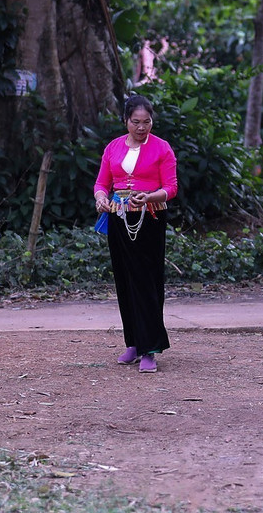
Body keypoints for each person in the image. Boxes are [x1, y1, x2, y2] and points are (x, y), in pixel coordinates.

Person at [94, 95, 178, 374]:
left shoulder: (162, 148)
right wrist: (100, 198)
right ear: (126, 121)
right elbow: (102, 183)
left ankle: (150, 348)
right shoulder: (113, 147)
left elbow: (171, 188)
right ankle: (132, 342)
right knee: (124, 279)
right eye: (136, 122)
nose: (142, 128)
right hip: (118, 217)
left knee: (146, 281)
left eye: (147, 122)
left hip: (150, 217)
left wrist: (150, 195)